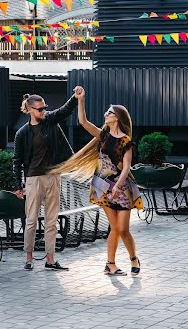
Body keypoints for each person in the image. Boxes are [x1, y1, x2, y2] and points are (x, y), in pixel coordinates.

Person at [50, 87, 143, 276]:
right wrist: (81, 99)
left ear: (117, 117)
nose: (106, 114)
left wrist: (118, 186)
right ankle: (110, 264)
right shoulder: (103, 136)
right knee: (115, 228)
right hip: (102, 186)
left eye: (109, 112)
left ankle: (133, 258)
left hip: (122, 187)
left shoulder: (126, 141)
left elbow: (126, 167)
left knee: (123, 229)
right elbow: (83, 121)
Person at [13, 89, 82, 271]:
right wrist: (18, 186)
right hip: (33, 179)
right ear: (29, 110)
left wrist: (75, 97)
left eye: (45, 108)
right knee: (31, 221)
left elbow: (65, 110)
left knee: (52, 221)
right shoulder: (22, 133)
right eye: (40, 109)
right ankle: (29, 258)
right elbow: (17, 161)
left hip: (53, 175)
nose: (44, 111)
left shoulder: (50, 121)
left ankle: (50, 260)